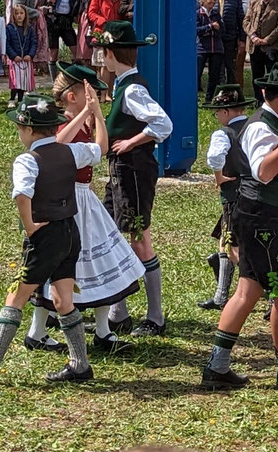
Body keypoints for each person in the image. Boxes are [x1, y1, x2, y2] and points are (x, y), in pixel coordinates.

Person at [0, 94, 101, 384]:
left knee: (17, 296)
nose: (19, 133)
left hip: (46, 234)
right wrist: (96, 115)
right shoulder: (71, 152)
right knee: (63, 299)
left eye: (20, 128)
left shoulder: (27, 160)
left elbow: (22, 195)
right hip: (70, 231)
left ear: (29, 130)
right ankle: (80, 364)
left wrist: (30, 226)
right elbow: (100, 149)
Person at [199, 62, 278, 394]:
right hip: (263, 217)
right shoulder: (261, 128)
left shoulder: (273, 123)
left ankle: (217, 365)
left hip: (266, 216)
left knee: (249, 290)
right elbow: (264, 171)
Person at [26, 63, 143, 355]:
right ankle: (37, 331)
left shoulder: (84, 121)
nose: (98, 99)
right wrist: (85, 114)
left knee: (100, 263)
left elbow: (98, 150)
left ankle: (102, 331)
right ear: (72, 96)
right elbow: (56, 148)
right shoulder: (61, 123)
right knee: (59, 264)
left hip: (85, 201)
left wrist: (95, 115)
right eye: (90, 93)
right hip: (67, 202)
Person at [92, 21, 174, 337]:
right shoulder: (122, 84)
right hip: (120, 171)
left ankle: (155, 316)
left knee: (139, 238)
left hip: (134, 170)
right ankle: (118, 311)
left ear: (112, 53)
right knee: (112, 233)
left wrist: (131, 142)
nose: (101, 58)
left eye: (103, 53)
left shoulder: (133, 89)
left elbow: (162, 123)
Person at [198, 84, 255, 311]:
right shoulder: (255, 126)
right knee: (225, 238)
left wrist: (219, 176)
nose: (216, 116)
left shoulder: (223, 134)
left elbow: (215, 158)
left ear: (227, 111)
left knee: (232, 245)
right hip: (257, 192)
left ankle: (228, 295)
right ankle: (222, 293)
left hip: (234, 195)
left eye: (217, 111)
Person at [243, 0, 278, 105]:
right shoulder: (254, 3)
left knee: (271, 75)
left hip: (270, 47)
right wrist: (253, 37)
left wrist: (266, 40)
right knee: (256, 74)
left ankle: (270, 101)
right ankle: (258, 100)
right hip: (254, 45)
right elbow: (246, 21)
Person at [88, 0, 120, 101]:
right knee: (104, 64)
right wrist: (102, 20)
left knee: (113, 64)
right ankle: (103, 95)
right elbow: (91, 13)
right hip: (102, 32)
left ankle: (109, 94)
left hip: (116, 33)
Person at [5, 3, 35, 109]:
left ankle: (21, 99)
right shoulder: (9, 28)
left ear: (25, 15)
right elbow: (7, 43)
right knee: (15, 80)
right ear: (13, 15)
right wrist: (13, 56)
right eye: (16, 13)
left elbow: (33, 43)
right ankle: (12, 98)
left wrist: (30, 55)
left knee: (24, 80)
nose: (19, 16)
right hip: (15, 60)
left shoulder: (30, 28)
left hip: (26, 59)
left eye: (21, 13)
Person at [43, 0, 79, 81]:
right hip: (53, 19)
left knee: (76, 50)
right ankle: (55, 81)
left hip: (67, 20)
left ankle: (73, 79)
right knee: (53, 52)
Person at [197, 0, 224, 103]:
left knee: (214, 75)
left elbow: (222, 30)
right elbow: (196, 30)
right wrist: (210, 27)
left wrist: (217, 28)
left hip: (216, 49)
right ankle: (195, 98)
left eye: (214, 0)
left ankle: (209, 100)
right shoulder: (198, 14)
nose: (213, 2)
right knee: (197, 74)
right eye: (210, 0)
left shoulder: (216, 14)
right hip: (202, 48)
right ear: (203, 1)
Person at [219, 0, 244, 84]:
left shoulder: (235, 1)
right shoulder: (212, 2)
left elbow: (241, 19)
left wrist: (242, 39)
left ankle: (230, 91)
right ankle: (219, 91)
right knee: (218, 68)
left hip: (230, 38)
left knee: (230, 67)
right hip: (215, 39)